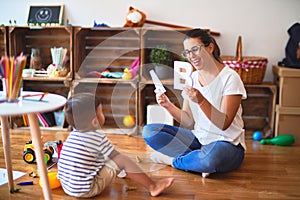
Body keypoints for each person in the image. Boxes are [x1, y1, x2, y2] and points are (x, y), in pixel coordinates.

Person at [142, 28, 247, 178]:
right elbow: (187, 120)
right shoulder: (192, 78)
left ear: (210, 47)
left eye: (195, 49)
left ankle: (174, 161)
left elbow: (224, 123)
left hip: (227, 144)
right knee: (150, 132)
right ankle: (197, 161)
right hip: (199, 139)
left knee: (212, 157)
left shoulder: (230, 78)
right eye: (187, 52)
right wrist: (168, 105)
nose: (191, 56)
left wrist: (201, 100)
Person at [57, 93, 174, 198]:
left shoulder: (73, 135)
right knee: (122, 160)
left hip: (67, 187)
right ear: (94, 121)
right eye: (101, 112)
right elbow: (118, 159)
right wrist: (124, 165)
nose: (103, 115)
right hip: (87, 189)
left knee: (110, 155)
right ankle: (153, 187)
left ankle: (128, 173)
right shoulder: (97, 137)